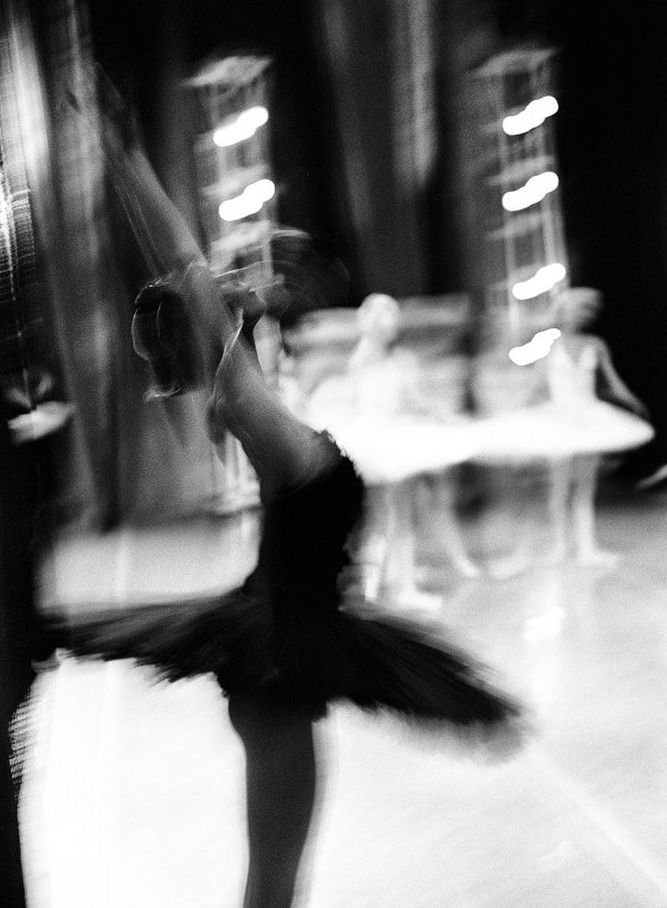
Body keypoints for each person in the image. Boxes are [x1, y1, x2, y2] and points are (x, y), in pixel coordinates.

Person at [54, 77, 526, 907]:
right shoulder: (240, 396)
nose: (243, 271)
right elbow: (182, 259)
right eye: (228, 278)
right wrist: (126, 157)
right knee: (274, 884)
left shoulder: (254, 392)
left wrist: (126, 160)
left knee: (276, 879)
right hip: (277, 661)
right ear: (204, 323)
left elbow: (192, 272)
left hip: (281, 652)